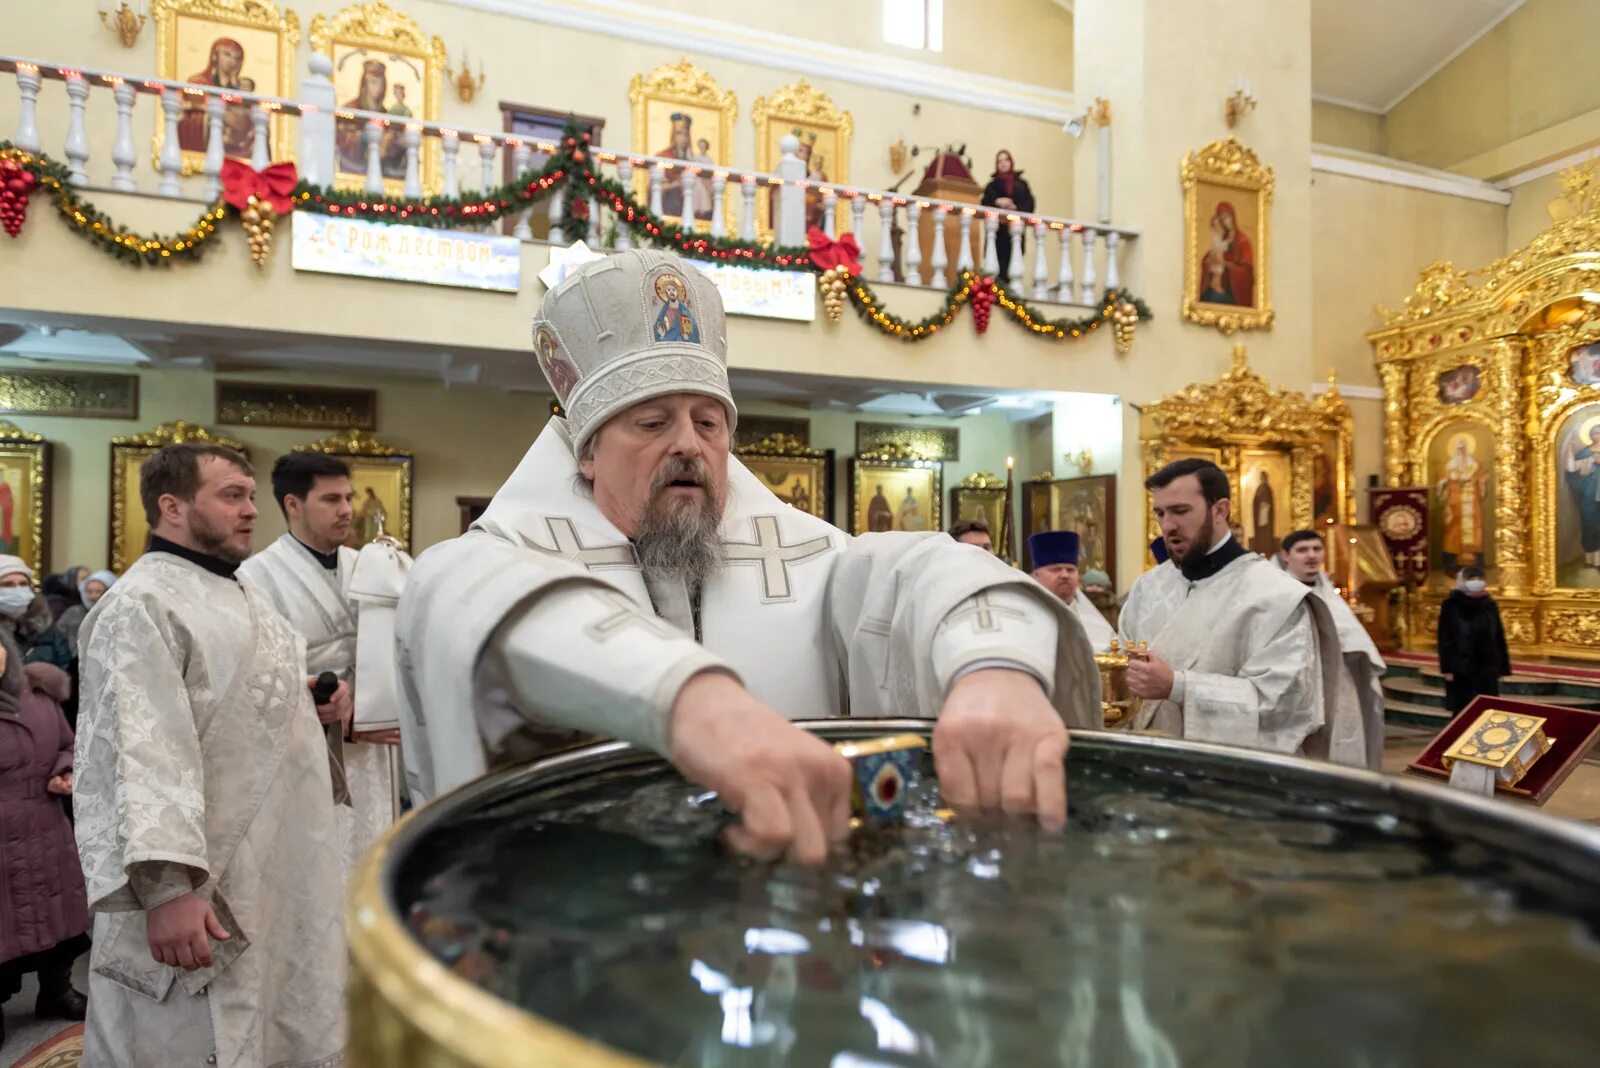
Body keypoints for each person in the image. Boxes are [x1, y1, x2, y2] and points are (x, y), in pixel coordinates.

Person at [397, 249, 1101, 866]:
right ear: (586, 454)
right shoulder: (503, 554)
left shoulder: (806, 554)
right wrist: (693, 704)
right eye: (651, 422)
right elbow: (460, 593)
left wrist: (994, 666)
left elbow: (919, 569)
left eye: (708, 423)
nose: (688, 444)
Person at [74, 443, 346, 1067]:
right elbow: (143, 749)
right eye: (231, 496)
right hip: (202, 883)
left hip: (277, 863)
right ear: (172, 506)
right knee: (193, 1036)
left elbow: (232, 701)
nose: (252, 510)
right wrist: (168, 890)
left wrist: (314, 704)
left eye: (251, 496)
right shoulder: (141, 603)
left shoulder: (237, 590)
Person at [1117, 459, 1361, 763]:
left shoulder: (1276, 597)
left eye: (1180, 511)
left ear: (1220, 510)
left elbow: (1284, 707)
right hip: (1148, 768)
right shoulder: (1148, 587)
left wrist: (1178, 686)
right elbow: (1121, 669)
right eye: (1161, 513)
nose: (1167, 526)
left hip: (1228, 779)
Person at [240, 453, 400, 879]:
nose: (347, 509)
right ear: (293, 504)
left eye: (347, 497)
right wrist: (337, 713)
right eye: (331, 499)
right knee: (314, 876)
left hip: (375, 753)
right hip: (308, 753)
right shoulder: (256, 577)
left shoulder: (370, 566)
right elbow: (254, 678)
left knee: (371, 870)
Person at [1, 643, 89, 1051]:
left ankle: (56, 991)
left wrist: (63, 770)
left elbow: (68, 744)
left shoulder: (38, 697)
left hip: (46, 825)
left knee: (59, 918)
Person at [1282, 530, 1386, 770]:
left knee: (1341, 743)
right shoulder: (1278, 593)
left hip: (1338, 682)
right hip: (1298, 686)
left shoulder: (1329, 593)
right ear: (1286, 555)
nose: (1311, 556)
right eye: (1302, 550)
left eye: (1317, 549)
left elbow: (1352, 636)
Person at [1436, 565, 1511, 713]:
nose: (1476, 581)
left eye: (1479, 578)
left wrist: (1502, 666)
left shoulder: (1489, 604)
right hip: (1462, 667)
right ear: (1463, 581)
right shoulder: (1451, 605)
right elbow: (1445, 638)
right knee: (1464, 709)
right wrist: (1447, 668)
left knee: (1488, 709)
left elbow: (1498, 636)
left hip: (1488, 667)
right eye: (1471, 578)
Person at [1029, 532, 1114, 653]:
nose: (1065, 575)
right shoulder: (1021, 617)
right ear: (1036, 575)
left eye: (1070, 570)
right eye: (1055, 569)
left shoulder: (1101, 629)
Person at [980, 150, 1035, 282]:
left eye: (1006, 160)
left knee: (1013, 266)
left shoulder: (1021, 185)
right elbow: (984, 203)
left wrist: (1015, 207)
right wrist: (997, 202)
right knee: (996, 267)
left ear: (1011, 162)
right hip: (997, 233)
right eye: (1000, 161)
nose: (1003, 163)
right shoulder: (991, 186)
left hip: (1014, 233)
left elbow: (1030, 204)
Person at [1437, 434, 1488, 569]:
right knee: (1453, 531)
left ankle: (1473, 561)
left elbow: (1480, 484)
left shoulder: (1474, 466)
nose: (1461, 452)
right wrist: (1443, 484)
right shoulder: (1450, 467)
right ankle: (1452, 562)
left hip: (1471, 504)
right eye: (1458, 449)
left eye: (1463, 449)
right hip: (1455, 504)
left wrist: (1481, 483)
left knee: (1473, 530)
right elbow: (1443, 485)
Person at [54, 568, 115, 661]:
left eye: (98, 592)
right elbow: (58, 638)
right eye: (89, 592)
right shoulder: (73, 613)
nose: (93, 596)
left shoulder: (116, 615)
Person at [1562, 422, 1600, 569]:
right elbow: (1571, 468)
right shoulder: (1585, 453)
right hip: (1589, 495)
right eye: (1595, 433)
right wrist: (1570, 450)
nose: (1598, 435)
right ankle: (1591, 559)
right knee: (1590, 524)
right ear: (1590, 435)